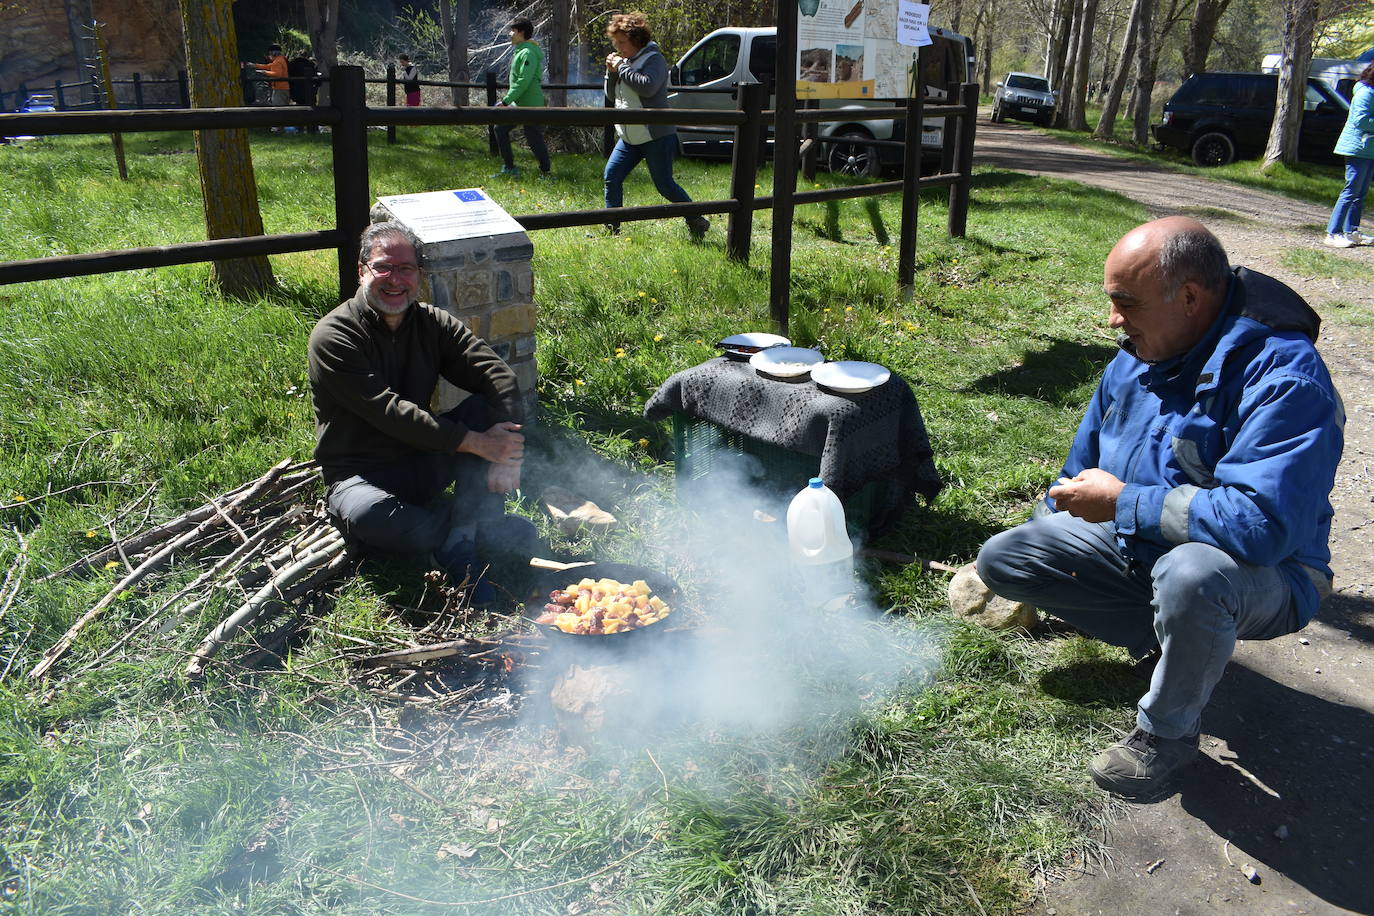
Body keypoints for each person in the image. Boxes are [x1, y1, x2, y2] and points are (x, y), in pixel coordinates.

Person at [976, 217, 1344, 798]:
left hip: (1270, 574)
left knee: (1193, 577)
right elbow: (1076, 476)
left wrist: (1125, 502)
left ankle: (1166, 739)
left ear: (1191, 298)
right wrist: (1049, 535)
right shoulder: (1135, 359)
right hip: (1145, 547)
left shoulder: (1285, 379)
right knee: (1004, 560)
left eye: (1126, 303)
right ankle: (1172, 642)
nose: (1113, 320)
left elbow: (1261, 527)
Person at [307, 221, 537, 603]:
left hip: (420, 459)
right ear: (362, 271)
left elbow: (497, 374)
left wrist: (508, 451)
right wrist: (476, 444)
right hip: (360, 474)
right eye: (383, 267)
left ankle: (459, 543)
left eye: (405, 269)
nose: (394, 279)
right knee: (373, 518)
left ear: (419, 275)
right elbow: (388, 411)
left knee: (484, 409)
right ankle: (473, 524)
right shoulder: (334, 336)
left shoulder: (432, 322)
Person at [602, 12, 709, 238]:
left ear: (636, 40)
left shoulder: (654, 59)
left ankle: (696, 219)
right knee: (612, 176)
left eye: (622, 42)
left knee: (665, 186)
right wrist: (611, 74)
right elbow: (611, 96)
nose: (619, 48)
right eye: (616, 43)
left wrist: (621, 67)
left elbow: (648, 87)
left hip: (656, 135)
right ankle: (612, 231)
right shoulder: (626, 62)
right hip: (629, 137)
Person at [1323, 62, 1374, 248]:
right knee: (1351, 191)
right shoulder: (1365, 93)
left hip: (1369, 150)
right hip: (1357, 149)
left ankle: (1351, 231)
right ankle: (1332, 233)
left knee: (1360, 193)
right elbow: (1361, 121)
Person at [492, 19, 551, 178]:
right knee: (500, 129)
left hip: (531, 105)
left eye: (513, 31)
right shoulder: (521, 50)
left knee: (534, 138)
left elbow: (523, 81)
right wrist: (510, 101)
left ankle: (546, 172)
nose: (510, 34)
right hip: (518, 104)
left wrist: (505, 101)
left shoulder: (528, 52)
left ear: (521, 32)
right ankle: (509, 167)